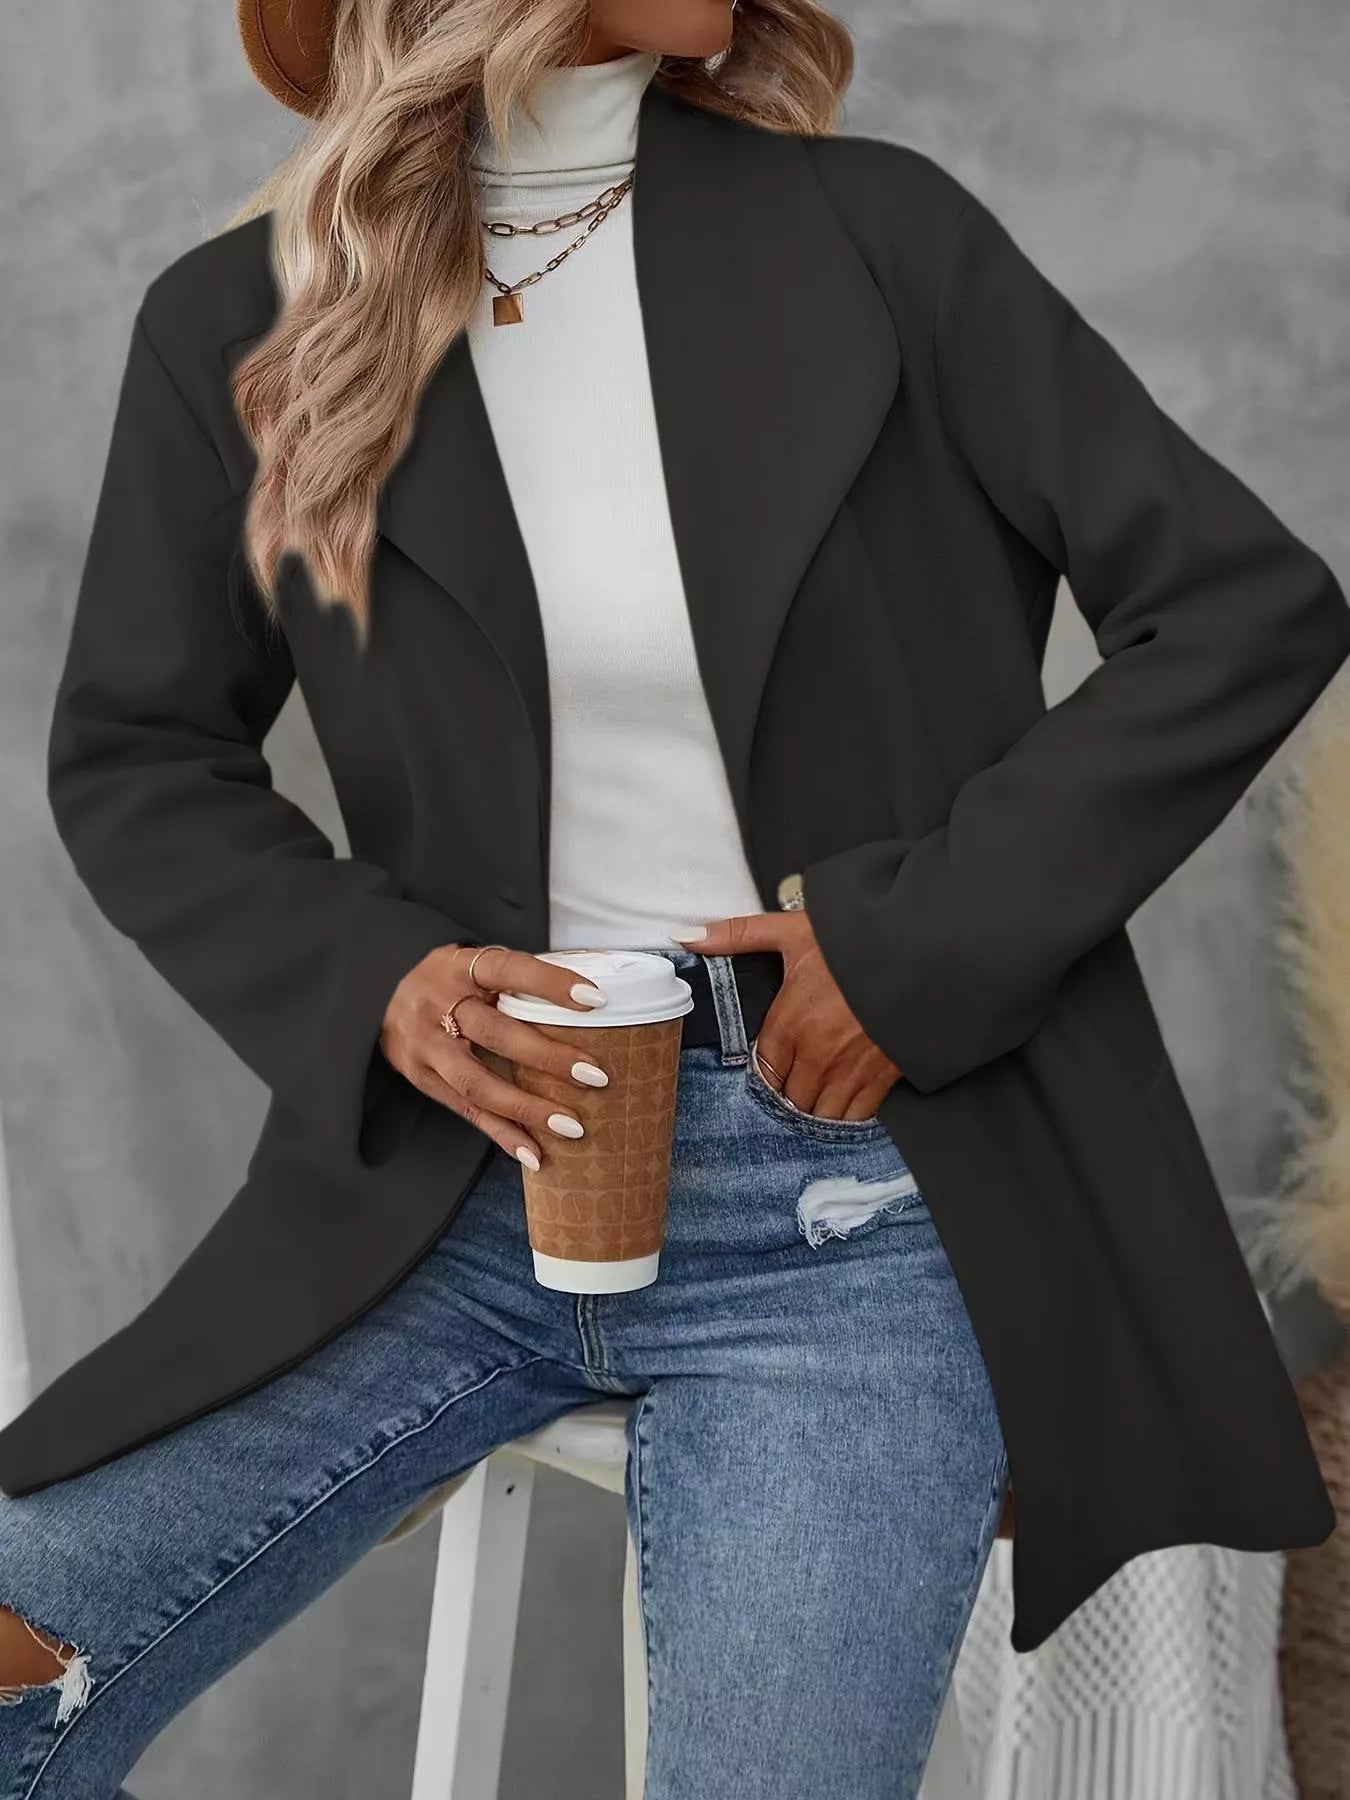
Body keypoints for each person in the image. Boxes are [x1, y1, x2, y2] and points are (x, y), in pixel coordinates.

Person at [1, 1, 1345, 1793]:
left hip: (851, 1209)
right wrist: (379, 981)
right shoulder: (248, 320)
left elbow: (1243, 606)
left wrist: (913, 946)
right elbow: (139, 757)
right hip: (450, 1190)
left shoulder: (879, 237)